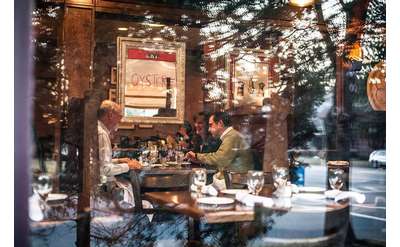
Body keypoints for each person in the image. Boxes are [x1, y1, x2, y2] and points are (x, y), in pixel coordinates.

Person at [97, 100, 141, 204]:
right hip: (102, 189)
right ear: (110, 115)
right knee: (132, 188)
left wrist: (118, 160)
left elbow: (99, 161)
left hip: (97, 186)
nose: (121, 120)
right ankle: (134, 214)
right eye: (120, 116)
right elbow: (105, 169)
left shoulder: (96, 129)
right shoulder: (102, 134)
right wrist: (129, 166)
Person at [185, 111, 254, 172]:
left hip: (236, 181)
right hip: (231, 178)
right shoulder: (230, 135)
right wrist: (197, 158)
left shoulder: (232, 136)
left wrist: (197, 156)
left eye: (211, 125)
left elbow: (219, 159)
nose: (209, 129)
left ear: (220, 124)